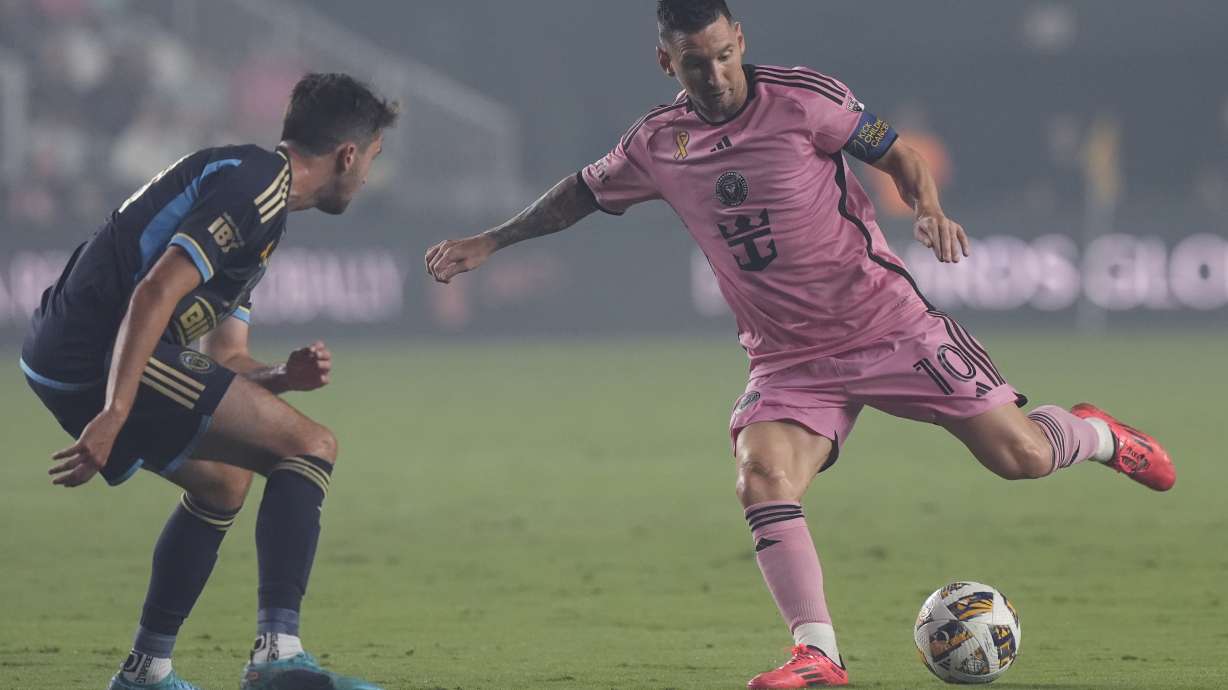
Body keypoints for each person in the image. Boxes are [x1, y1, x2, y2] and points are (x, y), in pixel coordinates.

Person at [423, 2, 1175, 687]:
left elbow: (899, 155)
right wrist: (492, 241)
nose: (715, 74)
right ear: (666, 63)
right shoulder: (659, 143)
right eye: (695, 62)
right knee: (761, 476)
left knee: (1023, 458)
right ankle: (818, 654)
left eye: (722, 53)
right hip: (789, 360)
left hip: (890, 325)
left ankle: (1099, 434)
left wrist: (931, 209)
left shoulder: (803, 98)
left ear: (739, 39)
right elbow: (580, 193)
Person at [21, 72, 397, 690]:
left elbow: (226, 359)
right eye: (373, 159)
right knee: (311, 445)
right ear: (348, 155)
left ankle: (147, 670)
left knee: (224, 482)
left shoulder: (262, 208)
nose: (367, 176)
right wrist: (115, 411)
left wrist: (281, 376)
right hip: (93, 350)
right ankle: (277, 655)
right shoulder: (255, 187)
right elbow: (156, 290)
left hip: (76, 349)